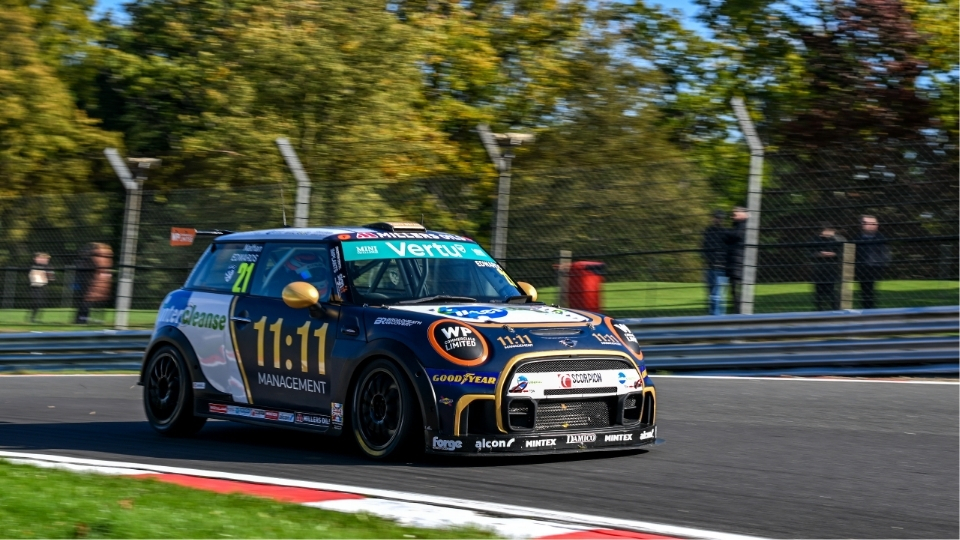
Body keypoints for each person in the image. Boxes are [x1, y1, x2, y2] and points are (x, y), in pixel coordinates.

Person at [854, 215, 890, 309]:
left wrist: (882, 266)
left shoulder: (881, 238)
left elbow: (885, 254)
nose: (871, 226)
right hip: (861, 268)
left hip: (875, 267)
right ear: (861, 224)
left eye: (874, 224)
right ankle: (867, 307)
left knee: (869, 289)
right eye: (868, 223)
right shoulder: (856, 238)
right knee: (865, 289)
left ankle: (869, 307)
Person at [74, 243, 113, 324]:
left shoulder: (92, 258)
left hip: (90, 282)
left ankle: (82, 319)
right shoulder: (107, 259)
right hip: (98, 283)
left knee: (85, 302)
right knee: (94, 303)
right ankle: (93, 319)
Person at [810, 224, 846, 311]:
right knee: (819, 291)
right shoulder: (816, 239)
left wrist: (834, 254)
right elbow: (810, 253)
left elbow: (845, 253)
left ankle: (835, 308)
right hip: (819, 269)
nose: (822, 233)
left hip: (835, 269)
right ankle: (820, 308)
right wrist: (819, 254)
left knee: (833, 290)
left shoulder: (839, 239)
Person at [701, 209, 729, 316]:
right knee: (712, 295)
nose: (717, 220)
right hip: (712, 267)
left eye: (719, 218)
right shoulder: (708, 231)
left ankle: (718, 317)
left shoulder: (724, 232)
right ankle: (714, 316)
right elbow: (704, 247)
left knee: (718, 295)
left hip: (720, 267)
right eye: (716, 217)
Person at [726, 206, 748, 314]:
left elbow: (737, 235)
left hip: (739, 264)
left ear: (743, 214)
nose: (732, 217)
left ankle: (739, 312)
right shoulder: (737, 227)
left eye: (735, 214)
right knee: (734, 291)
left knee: (737, 291)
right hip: (735, 263)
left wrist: (724, 232)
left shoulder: (743, 226)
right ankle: (737, 311)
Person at [27, 252, 54, 322]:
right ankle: (32, 317)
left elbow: (51, 278)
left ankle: (34, 317)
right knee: (36, 301)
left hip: (43, 286)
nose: (44, 260)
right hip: (35, 286)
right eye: (41, 258)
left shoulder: (48, 267)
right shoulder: (33, 266)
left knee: (40, 302)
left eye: (45, 259)